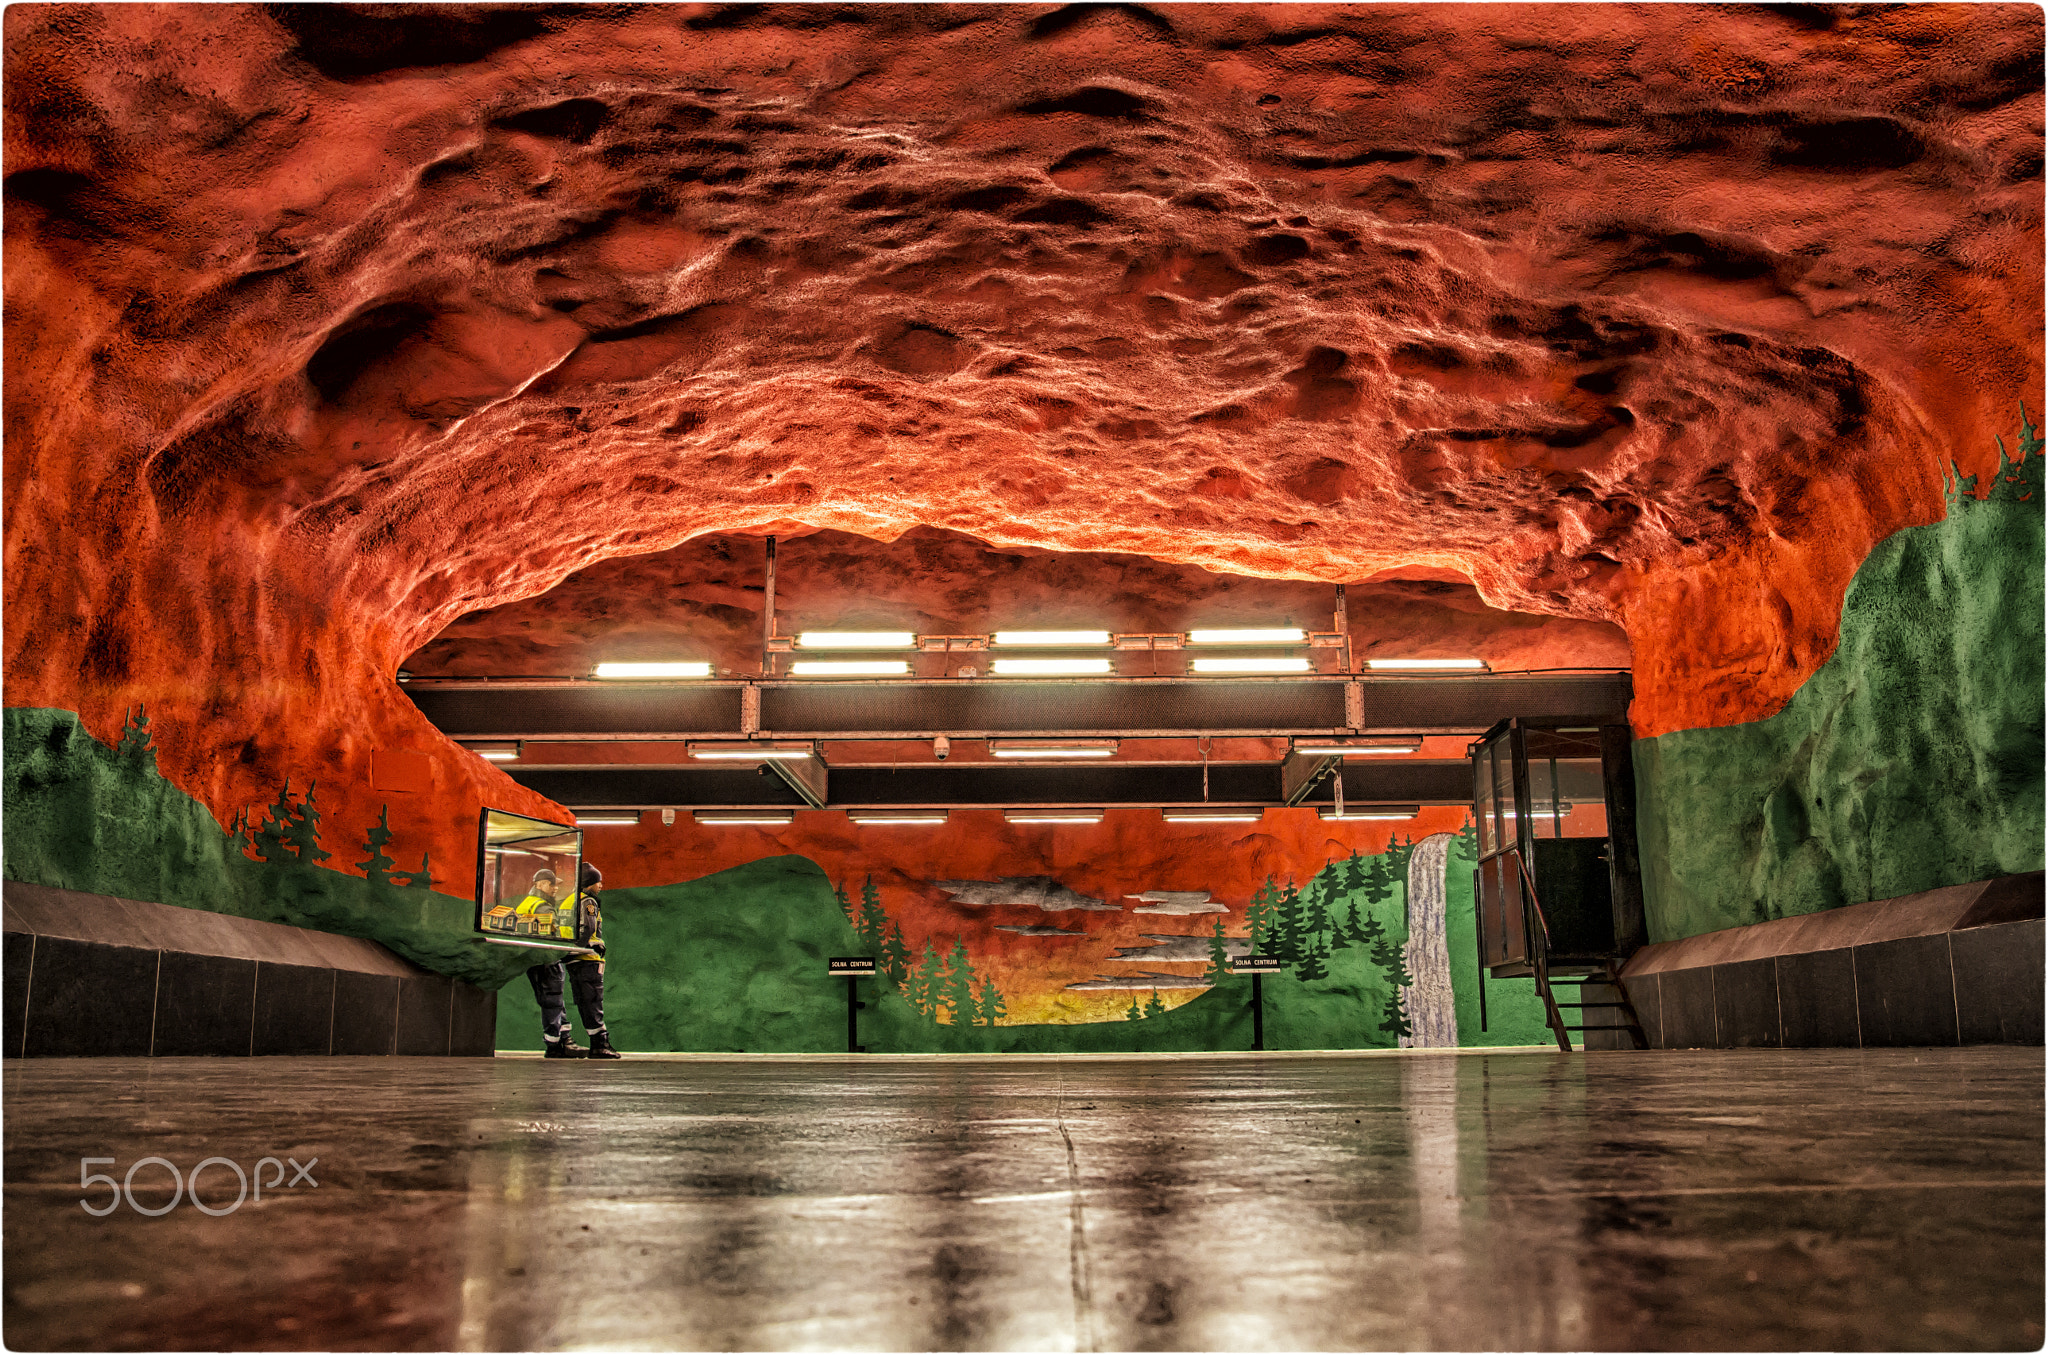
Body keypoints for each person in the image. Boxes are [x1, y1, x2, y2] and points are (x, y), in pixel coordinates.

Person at [516, 869, 584, 1058]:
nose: (555, 888)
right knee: (553, 1001)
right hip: (547, 959)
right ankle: (555, 1045)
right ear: (539, 885)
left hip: (534, 960)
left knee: (552, 1001)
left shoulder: (526, 903)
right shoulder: (543, 907)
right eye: (551, 884)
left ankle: (564, 1040)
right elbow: (553, 936)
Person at [565, 862, 620, 1059]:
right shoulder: (588, 902)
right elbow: (588, 927)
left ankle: (597, 1042)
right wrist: (587, 945)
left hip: (571, 959)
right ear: (589, 883)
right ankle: (600, 1045)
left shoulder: (568, 900)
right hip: (588, 959)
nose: (601, 886)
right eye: (598, 882)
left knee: (583, 1001)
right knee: (594, 1001)